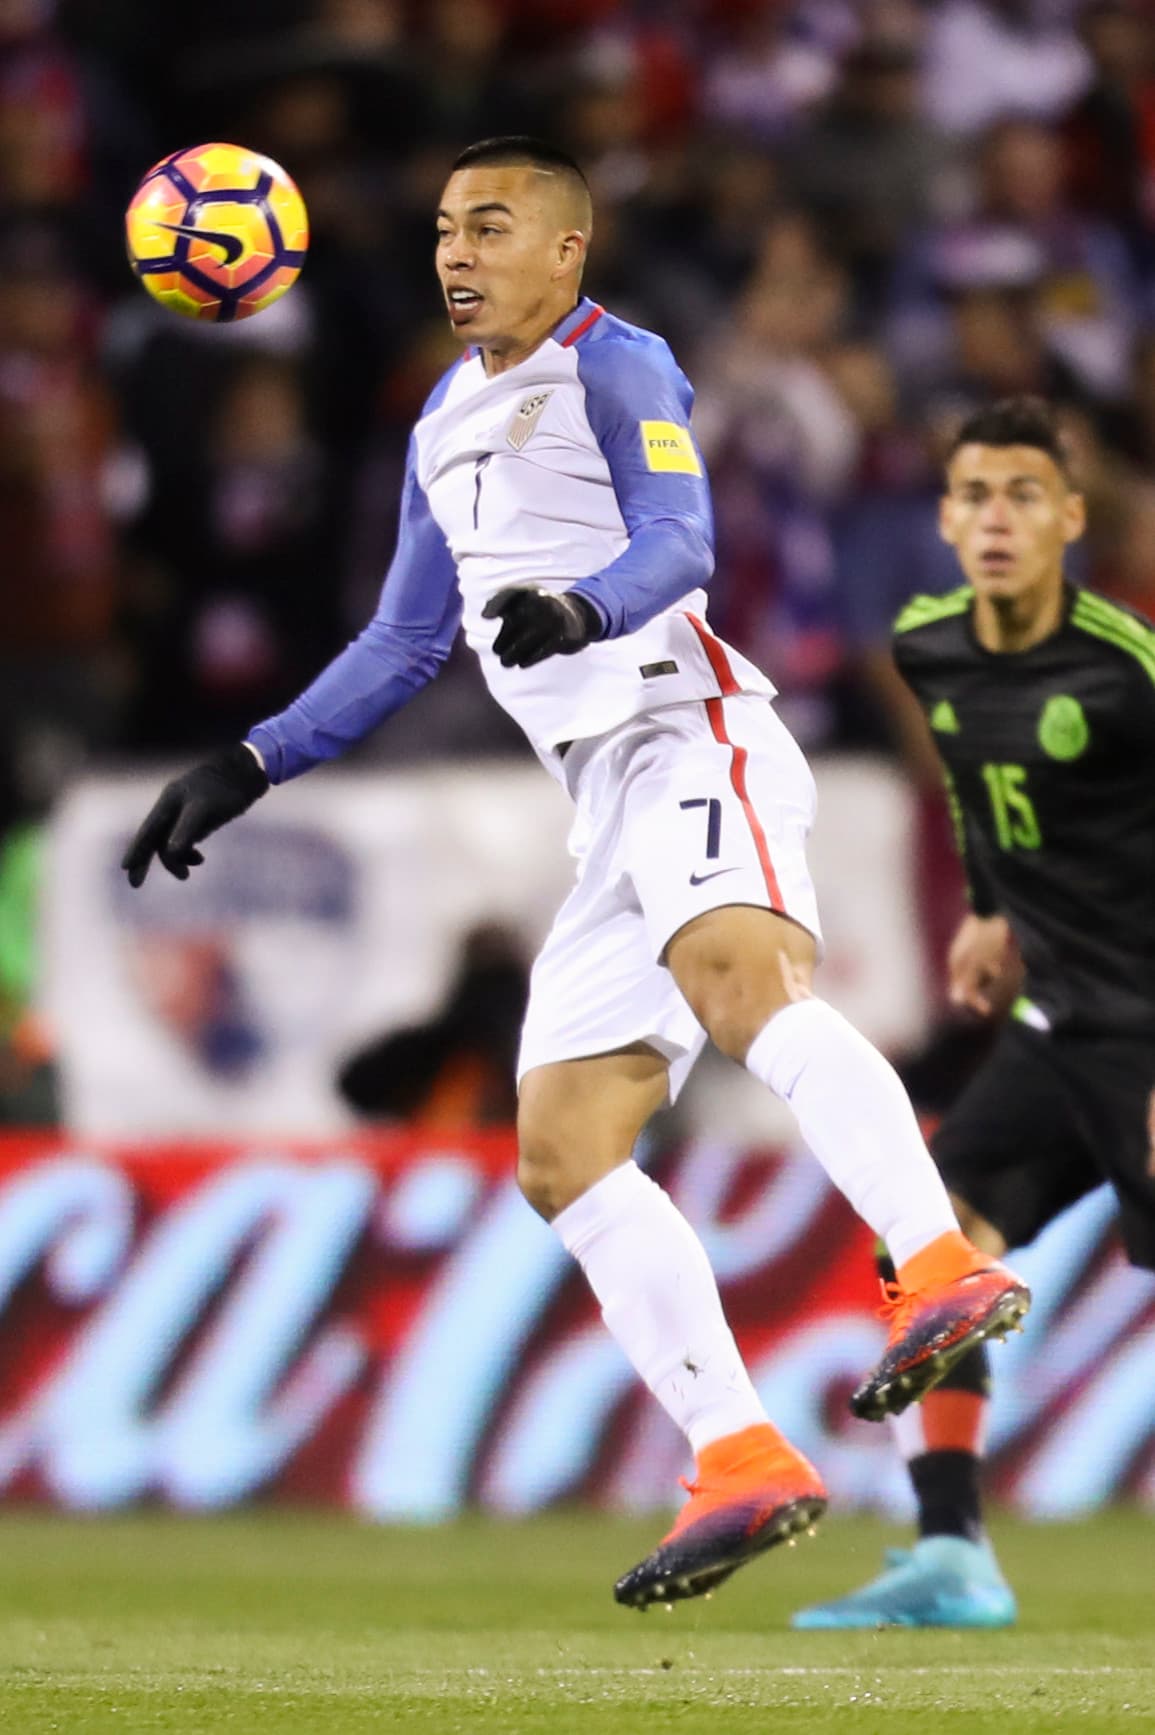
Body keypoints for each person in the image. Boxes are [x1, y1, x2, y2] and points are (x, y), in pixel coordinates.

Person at [121, 136, 1028, 1610]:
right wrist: (252, 759)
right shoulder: (439, 418)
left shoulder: (622, 363)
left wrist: (580, 600)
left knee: (739, 983)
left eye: (488, 226)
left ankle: (931, 1261)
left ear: (565, 252)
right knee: (560, 1143)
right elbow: (405, 638)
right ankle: (736, 1450)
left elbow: (681, 539)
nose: (455, 253)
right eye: (438, 228)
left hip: (689, 731)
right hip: (599, 803)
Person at [794, 395, 1155, 1632]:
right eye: (975, 496)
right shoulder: (934, 646)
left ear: (1068, 517)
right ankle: (953, 1554)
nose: (996, 518)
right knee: (928, 1242)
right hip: (1059, 1025)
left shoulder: (1127, 665)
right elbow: (987, 793)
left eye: (1021, 496)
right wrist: (992, 911)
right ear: (945, 519)